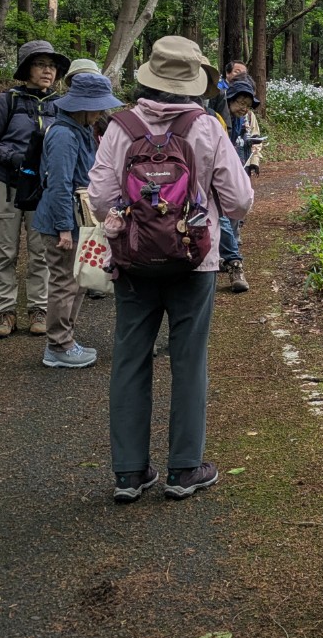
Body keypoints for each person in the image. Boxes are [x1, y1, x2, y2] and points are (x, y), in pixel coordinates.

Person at [88, 36, 254, 503]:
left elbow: (99, 197)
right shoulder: (208, 127)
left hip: (134, 260)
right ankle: (184, 469)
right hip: (194, 259)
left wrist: (132, 220)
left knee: (129, 358)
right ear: (192, 82)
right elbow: (240, 200)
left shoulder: (120, 126)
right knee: (188, 360)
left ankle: (129, 473)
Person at [32, 72, 123, 369]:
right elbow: (58, 184)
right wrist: (63, 228)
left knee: (78, 280)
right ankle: (58, 345)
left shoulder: (79, 130)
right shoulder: (63, 135)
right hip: (64, 220)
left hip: (77, 217)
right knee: (64, 282)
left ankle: (65, 339)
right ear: (82, 106)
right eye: (97, 106)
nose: (100, 112)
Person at [0, 40, 68, 338]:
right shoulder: (7, 101)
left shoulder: (60, 105)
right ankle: (4, 312)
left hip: (41, 188)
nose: (48, 71)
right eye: (41, 64)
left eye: (52, 66)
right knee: (5, 252)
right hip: (7, 183)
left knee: (41, 250)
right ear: (26, 69)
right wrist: (16, 159)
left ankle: (38, 309)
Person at [218, 76, 263, 294]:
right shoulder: (217, 118)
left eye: (248, 105)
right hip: (217, 174)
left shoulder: (239, 120)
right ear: (230, 98)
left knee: (232, 216)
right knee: (222, 217)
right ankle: (235, 263)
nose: (244, 108)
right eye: (241, 103)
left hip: (233, 172)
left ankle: (228, 256)